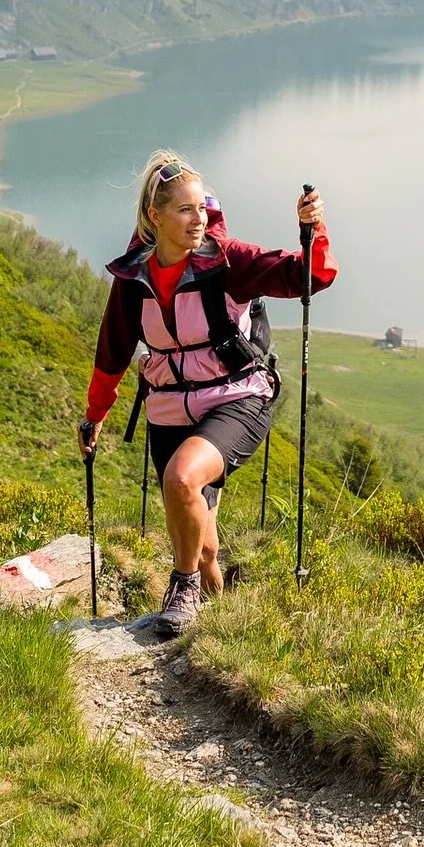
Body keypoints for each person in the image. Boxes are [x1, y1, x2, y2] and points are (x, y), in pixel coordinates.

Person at [81, 150, 336, 636]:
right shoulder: (134, 278)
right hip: (168, 409)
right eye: (184, 209)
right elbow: (111, 352)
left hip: (236, 399)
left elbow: (311, 277)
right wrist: (95, 417)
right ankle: (221, 620)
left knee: (181, 481)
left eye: (202, 208)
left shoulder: (228, 262)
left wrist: (315, 230)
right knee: (207, 548)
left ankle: (180, 588)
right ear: (155, 217)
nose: (198, 218)